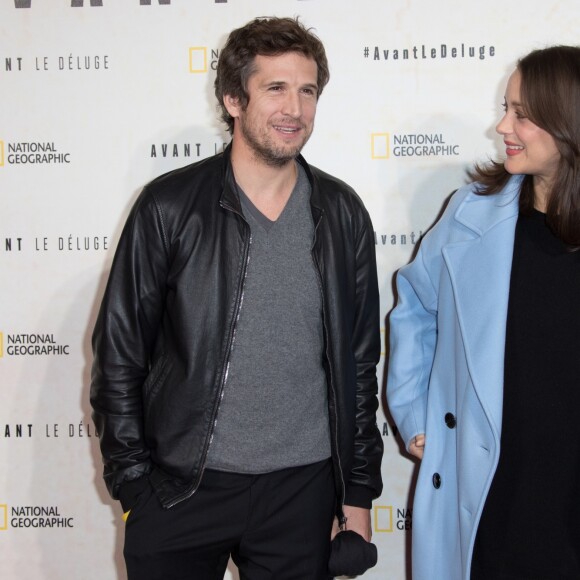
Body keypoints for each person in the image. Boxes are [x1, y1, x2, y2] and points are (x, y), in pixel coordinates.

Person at [90, 16, 383, 580]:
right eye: (275, 88)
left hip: (303, 490)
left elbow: (359, 366)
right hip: (181, 489)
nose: (294, 109)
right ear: (232, 98)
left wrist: (358, 494)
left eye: (307, 91)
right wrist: (133, 486)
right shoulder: (168, 207)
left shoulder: (342, 213)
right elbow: (119, 357)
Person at [387, 45, 580, 580]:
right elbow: (415, 308)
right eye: (506, 107)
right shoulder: (471, 215)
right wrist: (413, 410)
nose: (502, 126)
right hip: (494, 490)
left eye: (523, 113)